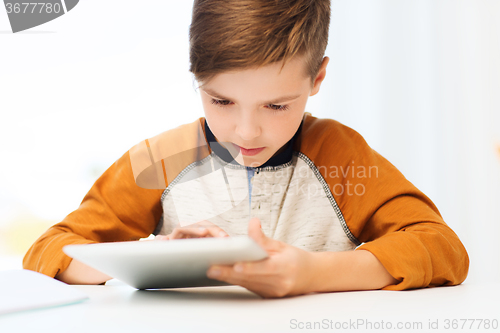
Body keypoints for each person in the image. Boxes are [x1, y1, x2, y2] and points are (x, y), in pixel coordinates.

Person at [23, 0, 469, 298]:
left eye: (276, 105)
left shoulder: (338, 154)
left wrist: (311, 275)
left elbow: (442, 248)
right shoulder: (157, 161)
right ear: (196, 77)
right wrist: (151, 257)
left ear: (317, 79)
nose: (246, 130)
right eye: (221, 101)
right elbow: (49, 251)